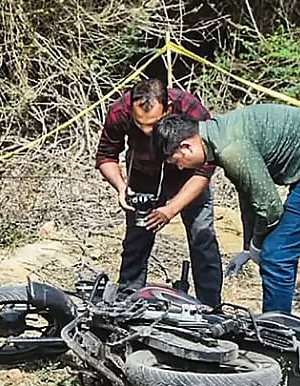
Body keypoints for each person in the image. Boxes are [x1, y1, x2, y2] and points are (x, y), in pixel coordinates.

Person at [154, 103, 300, 314]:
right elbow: (250, 195)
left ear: (186, 146)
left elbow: (270, 209)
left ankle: (277, 333)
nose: (180, 167)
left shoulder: (231, 150)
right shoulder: (217, 134)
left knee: (276, 255)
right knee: (275, 251)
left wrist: (258, 246)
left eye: (176, 161)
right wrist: (247, 246)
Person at [95, 78, 223, 306]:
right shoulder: (119, 111)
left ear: (169, 109)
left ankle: (211, 308)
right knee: (136, 239)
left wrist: (170, 209)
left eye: (153, 125)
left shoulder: (190, 108)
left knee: (202, 237)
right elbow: (106, 155)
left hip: (188, 178)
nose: (146, 132)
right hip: (143, 178)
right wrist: (121, 187)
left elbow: (205, 169)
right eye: (139, 124)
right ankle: (127, 300)